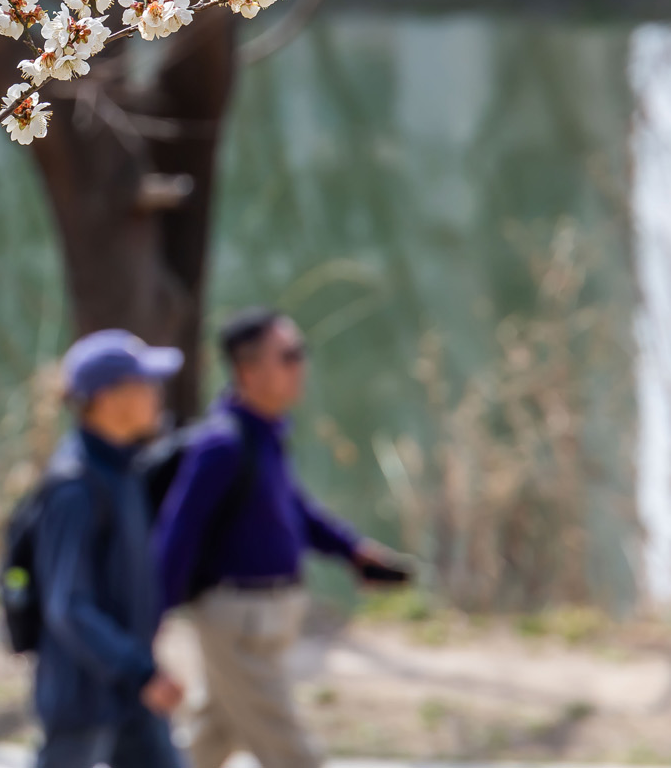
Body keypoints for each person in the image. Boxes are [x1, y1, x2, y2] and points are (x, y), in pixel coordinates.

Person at [151, 308, 406, 768]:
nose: (300, 366)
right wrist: (150, 622)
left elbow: (295, 510)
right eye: (288, 356)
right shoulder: (222, 445)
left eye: (300, 354)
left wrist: (353, 553)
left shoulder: (264, 434)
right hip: (236, 625)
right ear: (249, 372)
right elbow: (178, 534)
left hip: (270, 619)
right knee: (292, 754)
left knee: (209, 741)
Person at [31, 330, 190, 768]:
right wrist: (139, 670)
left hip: (129, 697)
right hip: (85, 699)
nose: (158, 395)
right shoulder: (75, 486)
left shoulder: (122, 470)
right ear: (109, 398)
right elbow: (69, 606)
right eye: (146, 385)